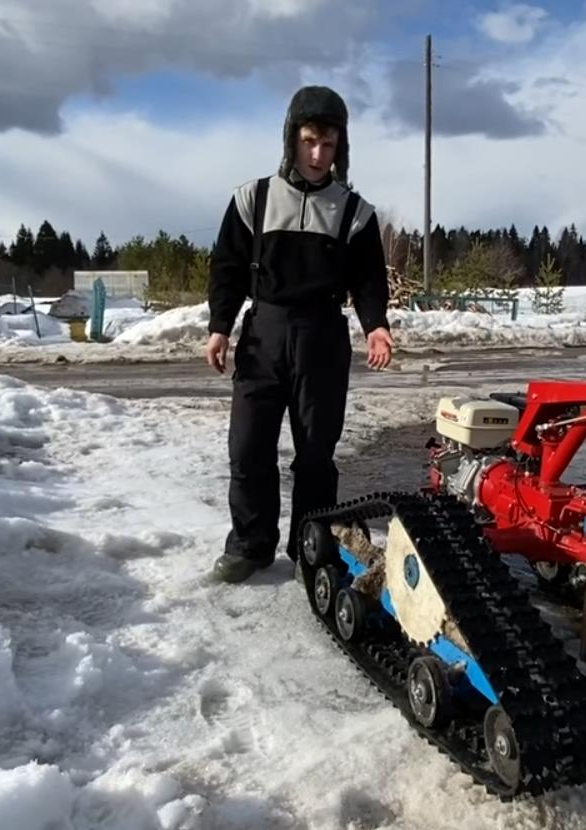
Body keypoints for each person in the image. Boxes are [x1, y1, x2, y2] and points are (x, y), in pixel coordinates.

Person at [205, 85, 393, 584]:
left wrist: (376, 327)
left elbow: (370, 279)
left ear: (340, 147)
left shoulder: (354, 211)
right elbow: (226, 269)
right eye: (309, 141)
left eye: (328, 145)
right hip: (263, 332)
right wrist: (219, 327)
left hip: (322, 338)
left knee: (316, 453)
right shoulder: (253, 198)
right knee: (248, 448)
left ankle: (311, 544)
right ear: (291, 138)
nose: (317, 155)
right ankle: (250, 545)